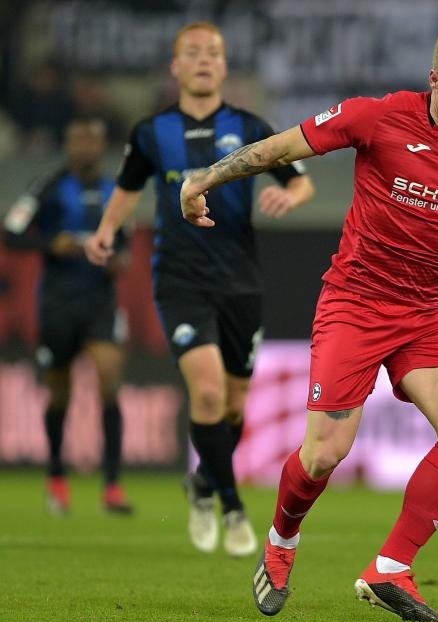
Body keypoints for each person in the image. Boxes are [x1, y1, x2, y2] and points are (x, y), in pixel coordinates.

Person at [179, 23, 438, 622]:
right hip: (356, 305)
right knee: (323, 455)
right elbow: (279, 148)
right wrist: (205, 177)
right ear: (434, 81)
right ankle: (282, 540)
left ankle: (390, 568)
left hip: (425, 315)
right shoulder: (378, 118)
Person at [84, 22, 315, 556]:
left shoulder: (250, 125)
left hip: (240, 281)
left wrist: (293, 197)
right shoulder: (150, 132)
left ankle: (204, 485)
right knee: (207, 392)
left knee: (233, 407)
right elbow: (126, 190)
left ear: (225, 65)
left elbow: (299, 178)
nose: (204, 60)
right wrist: (105, 231)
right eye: (193, 52)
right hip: (179, 279)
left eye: (214, 52)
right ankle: (231, 507)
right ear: (176, 65)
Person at [3, 117, 133, 516]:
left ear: (101, 144)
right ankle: (56, 475)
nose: (87, 146)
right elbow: (12, 231)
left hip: (100, 303)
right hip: (58, 303)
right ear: (69, 143)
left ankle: (111, 485)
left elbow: (124, 245)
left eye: (93, 139)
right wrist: (49, 243)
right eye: (80, 138)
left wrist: (119, 261)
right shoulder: (49, 186)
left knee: (110, 380)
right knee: (59, 392)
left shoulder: (116, 189)